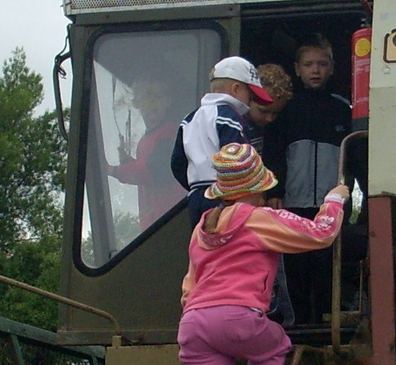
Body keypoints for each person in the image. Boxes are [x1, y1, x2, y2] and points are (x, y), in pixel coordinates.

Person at [179, 143, 347, 365]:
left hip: (194, 324)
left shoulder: (201, 229)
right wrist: (334, 199)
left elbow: (189, 286)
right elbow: (322, 233)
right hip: (238, 318)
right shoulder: (259, 218)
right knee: (276, 347)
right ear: (259, 187)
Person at [268, 36, 353, 322]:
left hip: (330, 206)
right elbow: (274, 152)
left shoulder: (343, 109)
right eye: (308, 65)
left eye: (322, 64)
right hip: (294, 203)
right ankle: (301, 323)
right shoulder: (287, 110)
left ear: (332, 68)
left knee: (328, 266)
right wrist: (275, 190)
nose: (315, 70)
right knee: (296, 267)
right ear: (297, 69)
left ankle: (329, 322)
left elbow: (355, 158)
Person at [171, 57, 272, 226]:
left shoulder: (189, 119)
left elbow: (177, 163)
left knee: (205, 246)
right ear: (236, 89)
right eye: (250, 95)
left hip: (196, 197)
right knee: (229, 247)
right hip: (225, 197)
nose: (249, 102)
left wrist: (194, 186)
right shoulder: (229, 117)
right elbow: (237, 159)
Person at [106, 74, 186, 231]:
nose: (152, 103)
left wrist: (113, 170)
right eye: (146, 96)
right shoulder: (144, 141)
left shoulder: (171, 133)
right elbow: (145, 169)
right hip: (152, 225)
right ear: (136, 102)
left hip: (171, 222)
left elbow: (156, 170)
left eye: (159, 96)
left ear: (169, 101)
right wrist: (128, 161)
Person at [248, 63, 295, 326]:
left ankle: (278, 310)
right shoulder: (235, 127)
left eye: (275, 114)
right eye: (264, 111)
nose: (269, 119)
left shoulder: (271, 129)